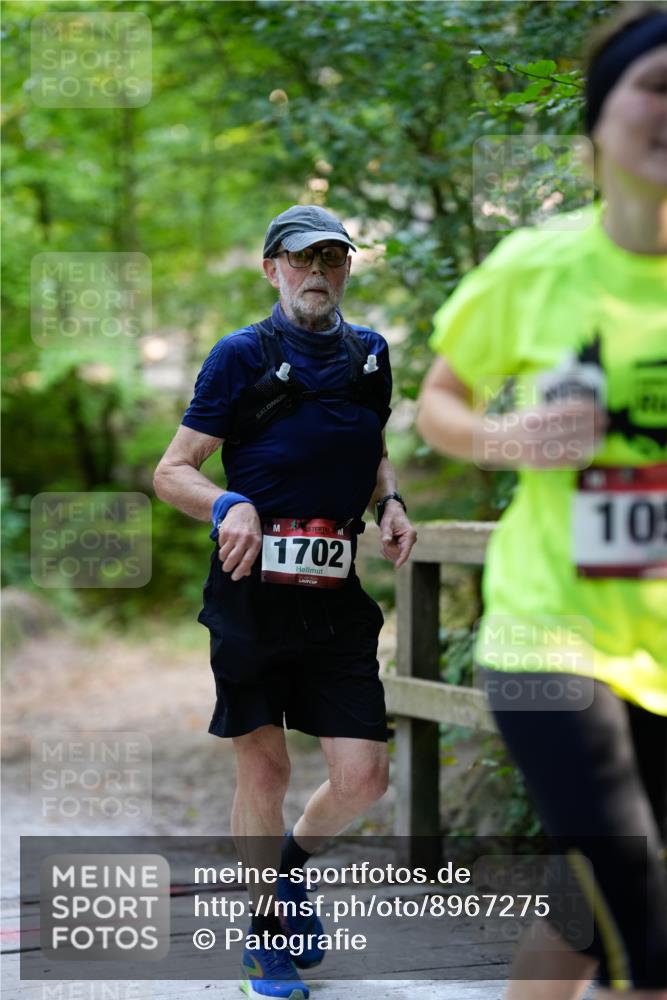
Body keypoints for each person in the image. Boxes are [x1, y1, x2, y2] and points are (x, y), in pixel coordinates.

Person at [417, 5, 667, 999]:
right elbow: (439, 399)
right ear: (598, 123)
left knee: (580, 910)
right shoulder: (534, 268)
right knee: (645, 928)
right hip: (549, 633)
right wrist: (508, 438)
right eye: (655, 87)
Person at [153, 204, 417, 1000]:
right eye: (301, 259)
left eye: (332, 259)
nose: (317, 273)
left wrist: (391, 502)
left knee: (364, 776)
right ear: (272, 269)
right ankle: (263, 938)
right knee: (262, 767)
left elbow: (370, 446)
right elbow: (174, 470)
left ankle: (287, 874)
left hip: (334, 596)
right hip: (250, 597)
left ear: (346, 270)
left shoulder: (370, 354)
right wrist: (228, 505)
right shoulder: (240, 355)